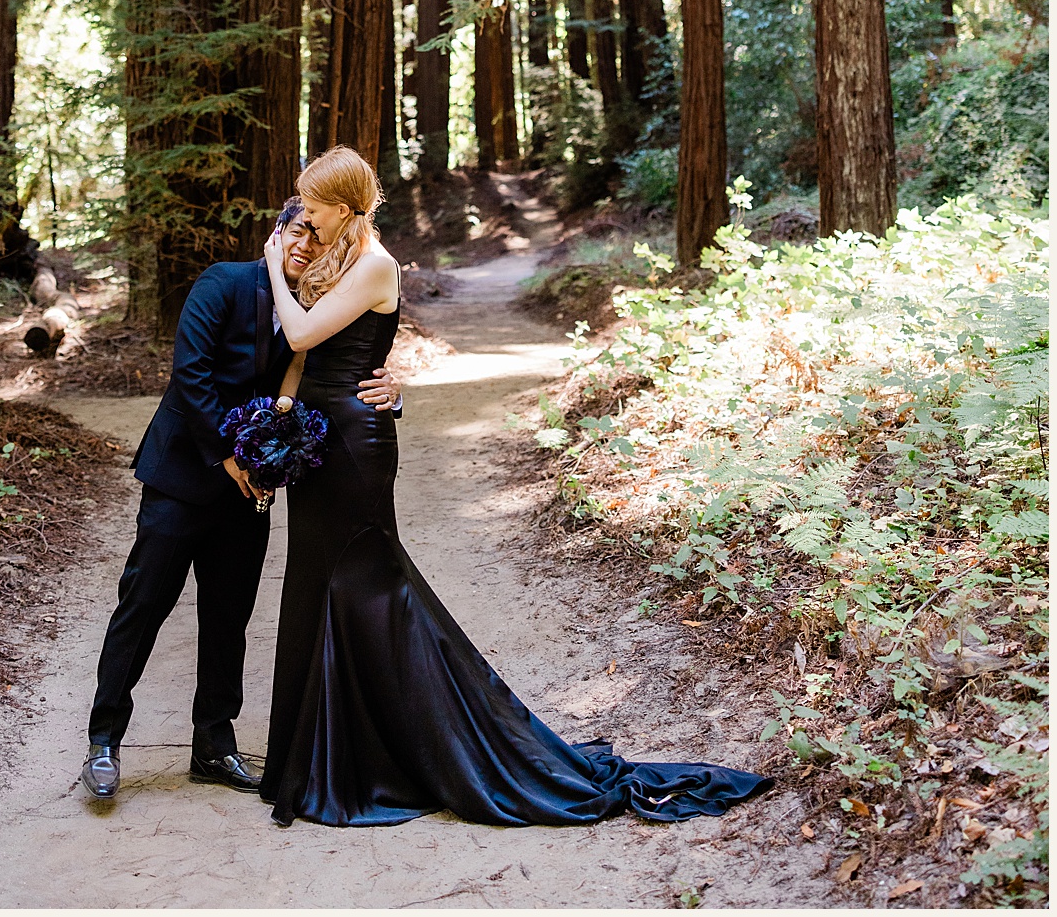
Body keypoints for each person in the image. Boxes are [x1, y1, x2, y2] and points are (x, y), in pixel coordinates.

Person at [256, 146, 769, 829]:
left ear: (344, 207)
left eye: (313, 203)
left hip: (355, 445)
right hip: (320, 438)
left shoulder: (376, 261)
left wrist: (270, 261)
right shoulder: (339, 257)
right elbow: (307, 353)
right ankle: (310, 757)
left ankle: (408, 752)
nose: (303, 212)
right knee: (314, 583)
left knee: (369, 588)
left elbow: (301, 328)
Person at [80, 203, 401, 799]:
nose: (306, 242)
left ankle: (214, 744)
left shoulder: (308, 309)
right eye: (297, 229)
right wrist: (228, 457)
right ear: (276, 234)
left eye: (318, 233)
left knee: (228, 618)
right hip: (184, 478)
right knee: (143, 605)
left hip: (250, 493)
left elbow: (336, 377)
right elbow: (190, 375)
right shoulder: (223, 282)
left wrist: (389, 392)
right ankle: (103, 740)